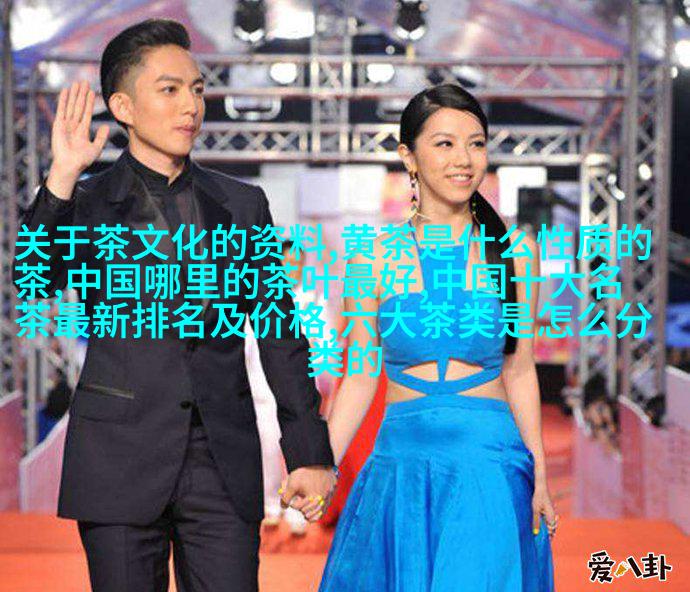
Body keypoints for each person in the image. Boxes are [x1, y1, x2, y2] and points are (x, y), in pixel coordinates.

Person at [12, 18, 336, 592]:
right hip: (119, 456)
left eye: (197, 89)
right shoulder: (87, 203)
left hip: (222, 460)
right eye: (169, 89)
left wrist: (309, 452)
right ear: (124, 107)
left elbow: (280, 333)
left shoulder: (242, 205)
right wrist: (61, 176)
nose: (191, 105)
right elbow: (34, 279)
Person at [316, 84, 557, 590]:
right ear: (409, 156)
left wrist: (539, 471)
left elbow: (519, 369)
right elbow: (359, 377)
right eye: (445, 144)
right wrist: (324, 466)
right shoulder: (370, 259)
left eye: (476, 144)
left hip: (489, 463)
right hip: (399, 466)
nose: (463, 159)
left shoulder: (517, 253)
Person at [244, 239, 335, 535]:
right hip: (262, 388)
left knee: (301, 446)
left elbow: (326, 346)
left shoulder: (313, 302)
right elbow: (247, 345)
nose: (291, 267)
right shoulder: (259, 298)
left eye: (296, 263)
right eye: (286, 262)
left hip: (302, 390)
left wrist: (321, 381)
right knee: (268, 447)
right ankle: (271, 505)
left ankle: (298, 511)